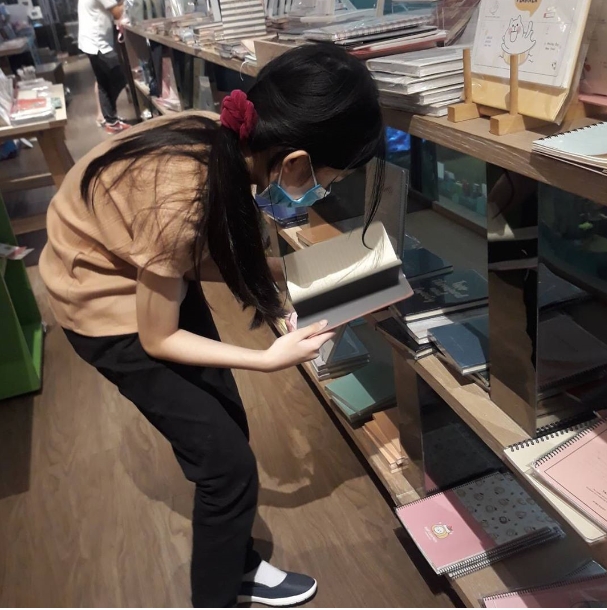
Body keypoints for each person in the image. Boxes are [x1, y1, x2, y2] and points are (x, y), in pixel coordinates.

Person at [39, 44, 385, 608]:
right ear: (295, 162)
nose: (324, 190)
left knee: (225, 420)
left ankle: (236, 562)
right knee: (226, 467)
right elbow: (157, 336)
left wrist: (293, 271)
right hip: (100, 301)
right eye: (330, 178)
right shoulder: (182, 195)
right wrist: (267, 358)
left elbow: (192, 255)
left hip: (143, 270)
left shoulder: (220, 135)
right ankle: (217, 596)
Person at [78, 0, 130, 134]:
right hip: (98, 44)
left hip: (89, 41)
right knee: (120, 78)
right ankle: (110, 116)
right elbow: (117, 13)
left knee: (103, 82)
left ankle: (111, 120)